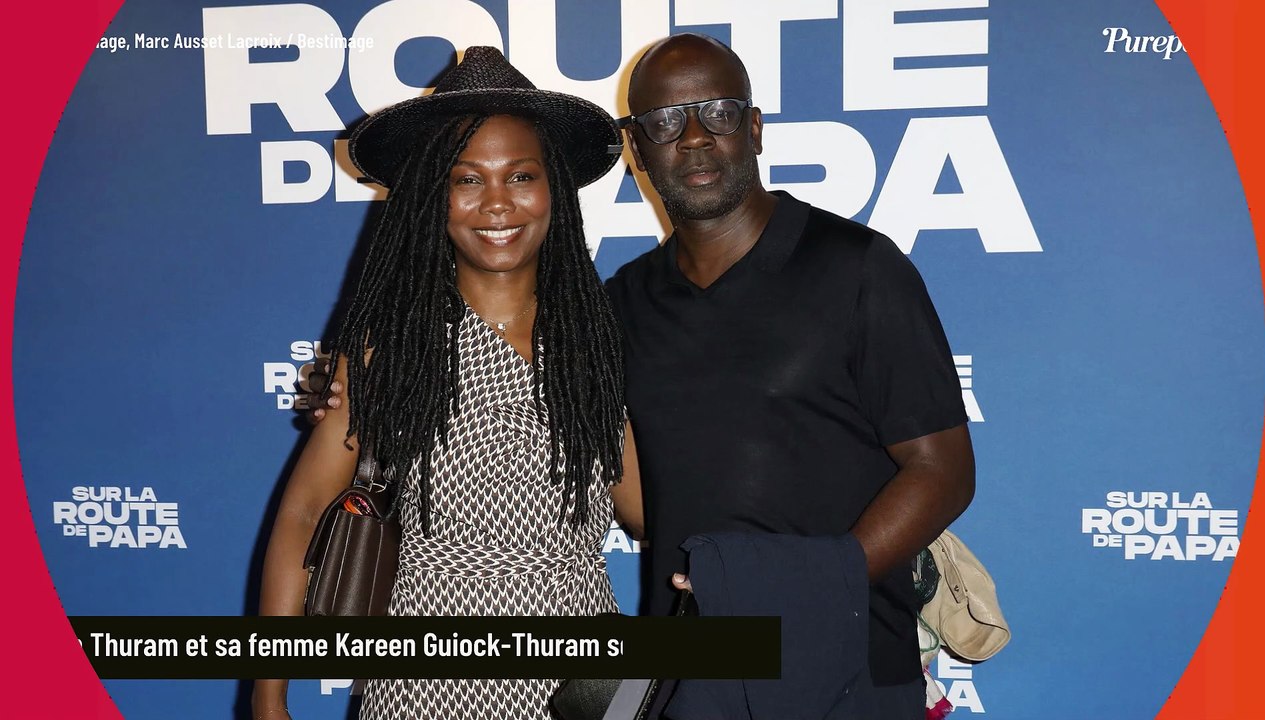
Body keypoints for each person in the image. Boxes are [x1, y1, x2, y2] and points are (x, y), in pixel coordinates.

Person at [309, 34, 975, 719]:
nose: (691, 138)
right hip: (685, 676)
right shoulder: (615, 311)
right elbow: (605, 461)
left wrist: (810, 583)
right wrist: (352, 387)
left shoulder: (859, 268)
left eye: (716, 112)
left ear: (754, 127)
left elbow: (944, 471)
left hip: (847, 655)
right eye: (663, 122)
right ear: (636, 148)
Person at [252, 46, 642, 720]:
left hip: (583, 689)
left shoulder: (589, 346)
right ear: (433, 195)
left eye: (521, 175)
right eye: (467, 179)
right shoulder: (396, 349)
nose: (497, 203)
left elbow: (642, 508)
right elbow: (303, 513)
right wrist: (268, 696)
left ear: (555, 189)